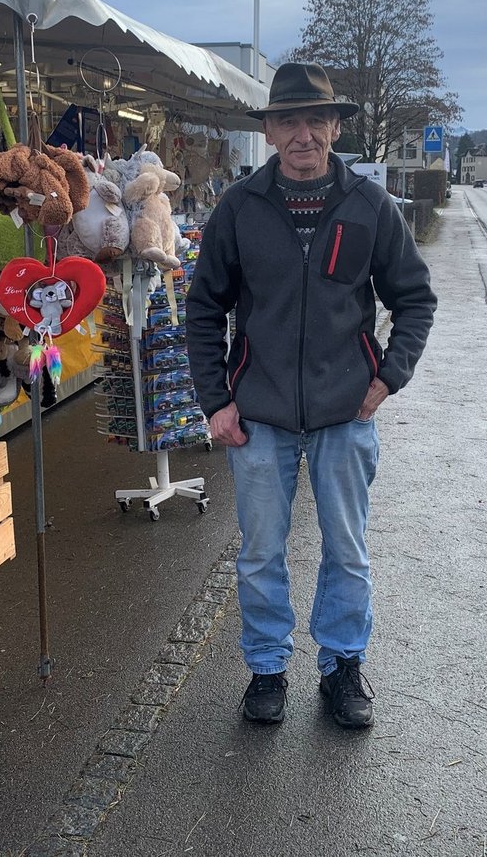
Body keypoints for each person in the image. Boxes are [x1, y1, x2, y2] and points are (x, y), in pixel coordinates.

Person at [186, 62, 437, 729]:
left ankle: (342, 668)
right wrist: (216, 400)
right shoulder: (239, 209)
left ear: (334, 126)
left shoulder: (369, 207)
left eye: (315, 120)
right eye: (288, 120)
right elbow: (204, 310)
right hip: (260, 416)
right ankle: (267, 669)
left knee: (347, 549)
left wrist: (387, 378)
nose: (303, 133)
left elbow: (414, 300)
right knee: (261, 550)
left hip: (344, 414)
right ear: (268, 131)